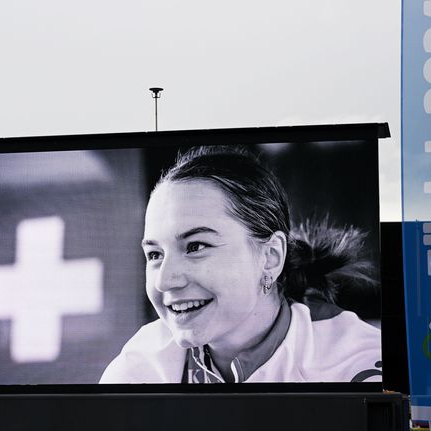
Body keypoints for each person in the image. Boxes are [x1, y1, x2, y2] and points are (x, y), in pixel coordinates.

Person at [100, 145, 381, 384]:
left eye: (196, 246)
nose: (164, 281)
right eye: (155, 255)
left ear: (270, 257)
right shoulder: (139, 369)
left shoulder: (357, 368)